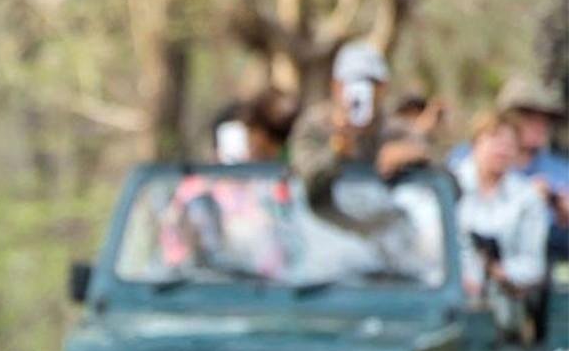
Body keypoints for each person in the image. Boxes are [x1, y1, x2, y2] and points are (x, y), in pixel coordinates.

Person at [290, 41, 431, 221]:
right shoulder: (314, 125)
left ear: (383, 87)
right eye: (353, 82)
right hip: (324, 233)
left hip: (382, 234)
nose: (363, 91)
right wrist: (336, 149)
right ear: (336, 86)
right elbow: (305, 179)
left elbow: (443, 179)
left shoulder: (396, 130)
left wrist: (413, 154)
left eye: (371, 83)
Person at [450, 76, 569, 267]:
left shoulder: (560, 170)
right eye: (529, 117)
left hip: (538, 262)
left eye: (545, 119)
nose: (539, 125)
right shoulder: (467, 157)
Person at [455, 110, 548, 334]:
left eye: (509, 144)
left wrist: (499, 271)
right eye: (494, 140)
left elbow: (533, 264)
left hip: (501, 306)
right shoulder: (450, 185)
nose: (502, 150)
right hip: (451, 299)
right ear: (476, 143)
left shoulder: (526, 197)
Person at [244, 88, 300, 163]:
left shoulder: (288, 159)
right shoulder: (294, 154)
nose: (249, 139)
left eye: (251, 131)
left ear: (263, 133)